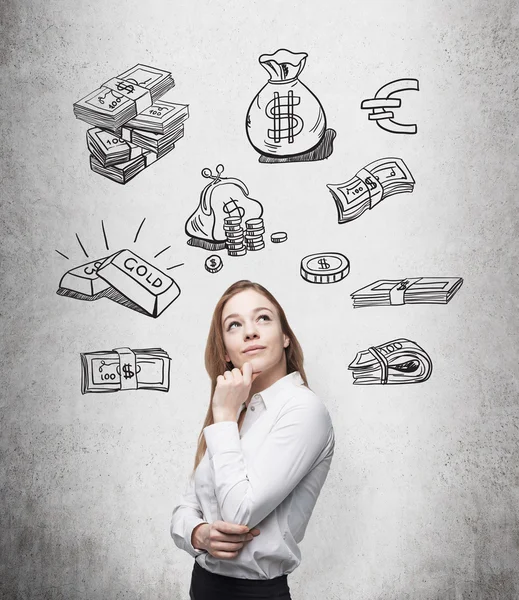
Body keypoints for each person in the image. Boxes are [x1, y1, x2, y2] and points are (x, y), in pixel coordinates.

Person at [171, 280, 335, 600]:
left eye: (263, 318)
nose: (250, 331)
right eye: (235, 325)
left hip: (254, 593)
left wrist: (223, 417)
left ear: (285, 336)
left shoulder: (303, 410)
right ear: (227, 352)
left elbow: (238, 515)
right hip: (204, 585)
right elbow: (186, 507)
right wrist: (199, 533)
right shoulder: (238, 413)